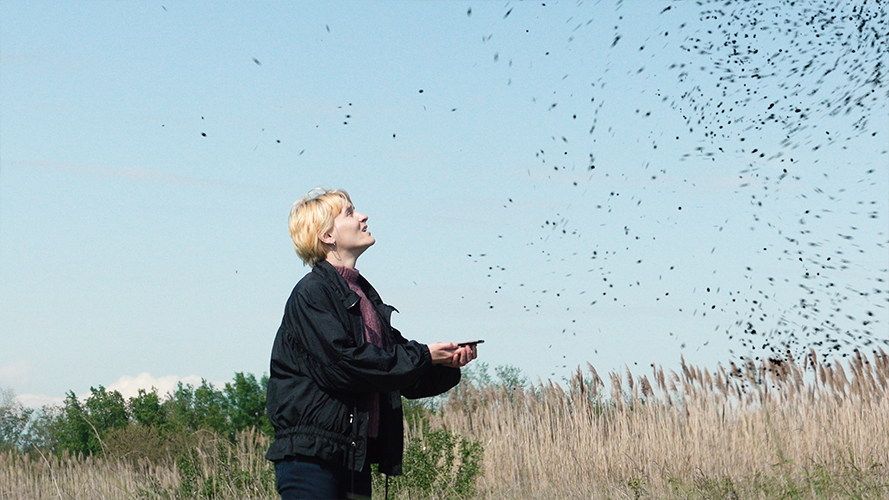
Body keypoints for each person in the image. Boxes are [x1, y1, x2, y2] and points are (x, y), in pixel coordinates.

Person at [266, 187, 478, 500]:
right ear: (327, 235)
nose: (363, 216)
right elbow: (347, 365)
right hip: (312, 460)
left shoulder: (363, 297)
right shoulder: (312, 294)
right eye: (350, 212)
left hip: (353, 458)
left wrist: (444, 363)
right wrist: (423, 355)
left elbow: (396, 371)